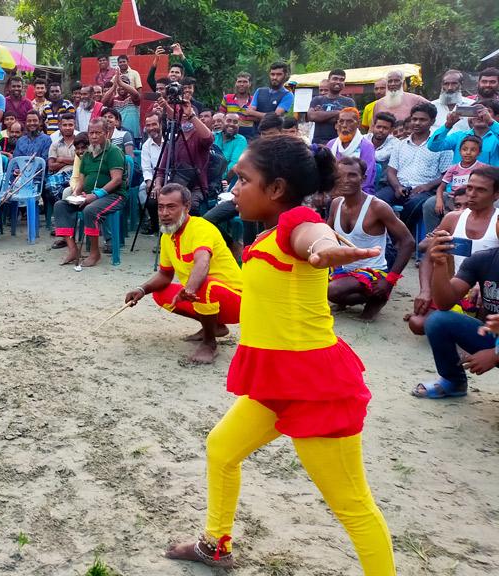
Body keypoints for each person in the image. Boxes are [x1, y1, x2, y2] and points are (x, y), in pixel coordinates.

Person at [165, 135, 394, 574]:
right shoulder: (272, 231)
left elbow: (314, 237)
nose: (233, 189)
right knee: (222, 448)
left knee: (352, 506)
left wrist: (324, 250)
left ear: (275, 188)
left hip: (313, 386)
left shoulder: (297, 222)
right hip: (278, 378)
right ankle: (216, 544)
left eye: (243, 179)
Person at [125, 183, 242, 362]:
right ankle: (215, 326)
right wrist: (141, 290)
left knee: (203, 283)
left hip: (237, 301)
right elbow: (165, 275)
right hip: (203, 296)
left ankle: (209, 343)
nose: (164, 213)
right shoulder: (167, 236)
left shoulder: (201, 227)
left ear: (186, 207)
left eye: (171, 207)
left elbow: (203, 262)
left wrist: (190, 289)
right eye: (160, 207)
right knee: (159, 293)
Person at [408, 167, 499, 335]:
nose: (472, 193)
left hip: (490, 294)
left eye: (481, 190)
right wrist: (426, 290)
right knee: (417, 323)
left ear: (496, 194)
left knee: (485, 323)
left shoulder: (497, 223)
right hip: (457, 287)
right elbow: (428, 257)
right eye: (470, 187)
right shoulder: (453, 219)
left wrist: (486, 282)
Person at [327, 157, 415, 320]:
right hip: (343, 269)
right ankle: (359, 296)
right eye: (340, 176)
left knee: (332, 290)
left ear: (364, 178)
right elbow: (327, 236)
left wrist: (389, 281)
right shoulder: (336, 203)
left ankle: (379, 295)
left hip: (372, 271)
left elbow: (408, 242)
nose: (345, 180)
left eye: (352, 175)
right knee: (317, 284)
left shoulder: (377, 207)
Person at [413, 238, 499, 399]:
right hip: (493, 335)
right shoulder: (483, 259)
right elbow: (444, 304)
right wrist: (440, 264)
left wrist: (495, 354)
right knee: (439, 321)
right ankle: (453, 381)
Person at [53, 118, 125, 267]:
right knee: (60, 205)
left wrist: (96, 195)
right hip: (89, 195)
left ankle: (94, 253)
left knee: (90, 210)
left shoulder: (114, 152)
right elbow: (81, 179)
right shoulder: (87, 154)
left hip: (114, 196)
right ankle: (73, 250)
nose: (93, 137)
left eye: (98, 133)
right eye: (91, 133)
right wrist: (76, 194)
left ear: (107, 133)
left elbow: (117, 180)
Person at [379, 103, 449, 232]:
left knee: (413, 205)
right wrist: (397, 187)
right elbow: (391, 170)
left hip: (425, 190)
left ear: (432, 121)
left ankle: (402, 238)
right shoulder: (400, 144)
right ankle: (383, 238)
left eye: (422, 120)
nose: (417, 123)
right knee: (377, 201)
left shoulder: (441, 145)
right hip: (400, 186)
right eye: (414, 119)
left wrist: (427, 186)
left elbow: (447, 174)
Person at [153, 94, 214, 212]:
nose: (185, 118)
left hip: (197, 187)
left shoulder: (199, 136)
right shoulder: (175, 139)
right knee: (154, 202)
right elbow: (161, 169)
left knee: (191, 206)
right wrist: (158, 185)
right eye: (183, 115)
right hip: (177, 184)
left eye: (187, 116)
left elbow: (209, 139)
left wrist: (191, 115)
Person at [425, 133, 489, 233]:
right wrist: (439, 200)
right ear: (459, 151)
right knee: (445, 214)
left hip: (472, 198)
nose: (468, 152)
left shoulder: (482, 168)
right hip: (454, 197)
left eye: (473, 150)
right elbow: (441, 187)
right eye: (465, 149)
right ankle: (434, 236)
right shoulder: (453, 168)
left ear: (479, 153)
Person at [428, 100, 499, 168]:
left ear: (497, 117)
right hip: (460, 179)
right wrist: (447, 125)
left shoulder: (496, 137)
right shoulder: (459, 136)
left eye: (487, 112)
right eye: (475, 111)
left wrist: (490, 122)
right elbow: (433, 146)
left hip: (489, 179)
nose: (479, 115)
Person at [326, 108, 376, 194]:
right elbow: (326, 172)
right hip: (333, 191)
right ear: (337, 124)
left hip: (359, 192)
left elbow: (366, 180)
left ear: (358, 124)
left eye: (349, 121)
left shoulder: (366, 146)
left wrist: (342, 192)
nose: (344, 125)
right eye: (341, 121)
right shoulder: (331, 145)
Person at [308, 69, 356, 145]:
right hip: (319, 145)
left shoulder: (349, 102)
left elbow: (349, 123)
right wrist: (337, 113)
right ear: (328, 81)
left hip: (340, 145)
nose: (338, 82)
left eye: (341, 80)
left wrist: (321, 115)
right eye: (335, 78)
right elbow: (312, 116)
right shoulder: (317, 99)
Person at [240, 62, 293, 130]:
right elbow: (248, 114)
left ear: (285, 75)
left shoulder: (288, 95)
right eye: (272, 74)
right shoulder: (260, 91)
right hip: (255, 134)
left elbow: (275, 117)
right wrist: (267, 116)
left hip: (274, 135)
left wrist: (254, 113)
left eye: (279, 74)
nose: (275, 77)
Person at [47, 113, 78, 203]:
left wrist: (61, 159)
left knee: (71, 187)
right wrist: (71, 160)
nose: (67, 128)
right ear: (60, 126)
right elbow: (51, 166)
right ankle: (64, 207)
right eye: (65, 125)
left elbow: (83, 161)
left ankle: (67, 208)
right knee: (50, 186)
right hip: (60, 174)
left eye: (70, 125)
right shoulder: (55, 145)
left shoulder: (80, 141)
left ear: (74, 126)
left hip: (76, 173)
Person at [102, 74, 140, 140]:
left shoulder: (133, 98)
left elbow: (136, 94)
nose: (122, 87)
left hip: (135, 136)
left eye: (124, 84)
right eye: (119, 85)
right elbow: (103, 102)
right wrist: (114, 86)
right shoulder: (114, 100)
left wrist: (120, 83)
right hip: (117, 136)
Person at [214, 113, 246, 181]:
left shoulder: (240, 140)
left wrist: (221, 179)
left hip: (227, 180)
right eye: (228, 121)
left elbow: (234, 163)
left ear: (239, 125)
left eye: (235, 122)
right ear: (223, 122)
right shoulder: (213, 136)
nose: (231, 124)